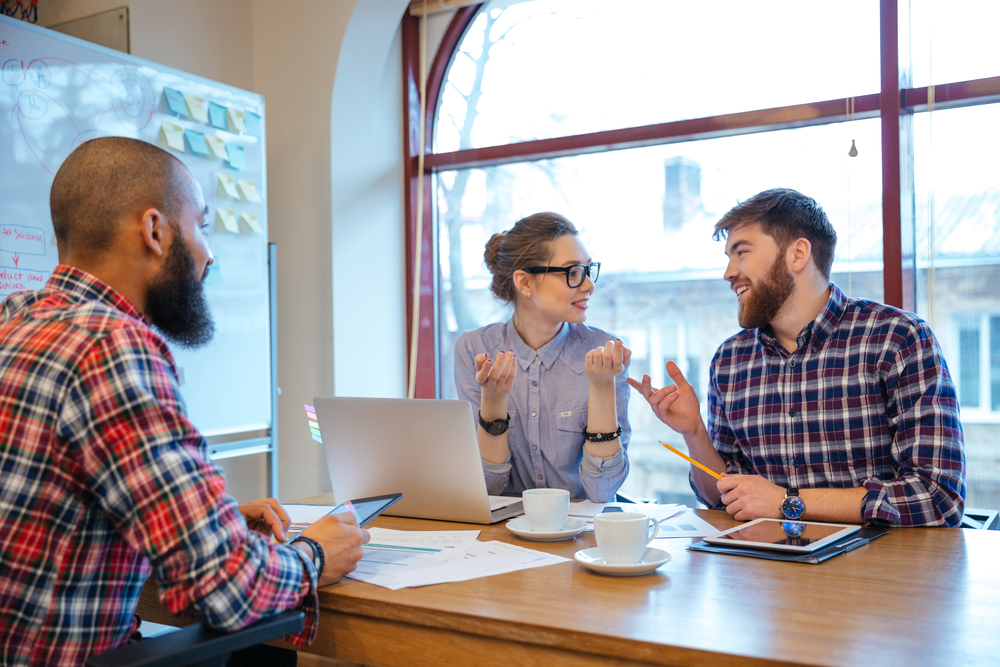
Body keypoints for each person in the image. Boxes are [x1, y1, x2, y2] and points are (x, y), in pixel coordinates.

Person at [0, 137, 369, 667]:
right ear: (155, 231)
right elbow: (223, 588)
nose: (209, 253)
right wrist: (316, 553)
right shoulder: (111, 347)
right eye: (202, 225)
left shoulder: (15, 318)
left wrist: (210, 525)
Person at [628, 188, 965, 527]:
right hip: (767, 571)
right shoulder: (729, 360)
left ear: (798, 254)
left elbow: (938, 497)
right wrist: (694, 433)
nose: (728, 272)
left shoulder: (897, 338)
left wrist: (788, 502)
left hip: (875, 571)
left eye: (741, 252)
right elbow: (720, 496)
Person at [454, 212, 631, 503]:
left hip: (581, 535)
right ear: (524, 283)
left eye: (589, 270)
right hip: (505, 535)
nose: (589, 285)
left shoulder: (606, 352)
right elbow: (486, 488)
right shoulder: (475, 349)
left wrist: (600, 386)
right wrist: (494, 401)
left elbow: (602, 491)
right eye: (573, 272)